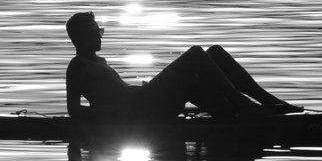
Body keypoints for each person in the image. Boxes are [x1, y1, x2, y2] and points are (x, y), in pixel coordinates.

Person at [64, 11, 302, 120]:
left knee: (214, 52)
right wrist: (113, 113)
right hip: (141, 110)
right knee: (196, 54)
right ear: (82, 37)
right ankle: (241, 103)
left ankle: (267, 101)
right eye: (96, 33)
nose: (101, 37)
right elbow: (74, 111)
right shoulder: (77, 67)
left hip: (146, 98)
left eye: (100, 31)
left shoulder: (100, 62)